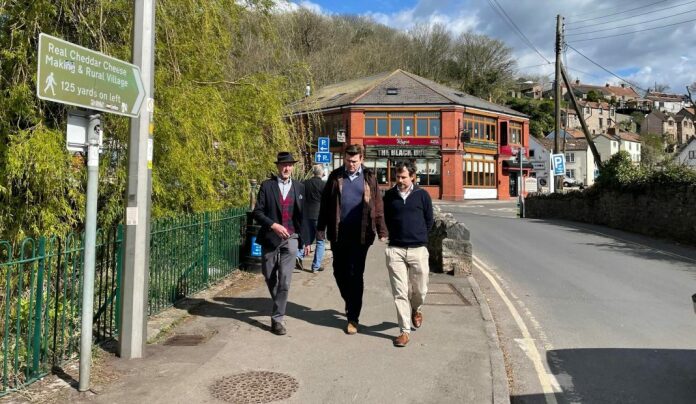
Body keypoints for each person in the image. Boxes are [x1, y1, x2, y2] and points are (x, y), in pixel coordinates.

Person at [317, 144, 387, 335]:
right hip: (339, 234)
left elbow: (378, 205)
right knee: (339, 272)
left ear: (361, 159)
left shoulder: (369, 178)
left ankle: (353, 318)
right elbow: (325, 205)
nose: (351, 164)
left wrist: (382, 230)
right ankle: (351, 301)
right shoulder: (335, 177)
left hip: (362, 235)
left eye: (354, 161)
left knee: (356, 275)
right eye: (348, 160)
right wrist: (320, 230)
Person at [253, 151, 310, 335]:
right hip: (270, 238)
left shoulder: (300, 187)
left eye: (290, 165)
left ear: (293, 167)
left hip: (291, 238)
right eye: (283, 165)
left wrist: (307, 240)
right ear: (278, 167)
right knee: (269, 275)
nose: (287, 168)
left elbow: (304, 216)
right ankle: (279, 303)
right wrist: (274, 225)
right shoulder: (267, 186)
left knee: (285, 280)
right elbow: (258, 213)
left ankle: (277, 319)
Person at [382, 160, 433, 347]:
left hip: (418, 249)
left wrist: (420, 237)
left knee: (420, 289)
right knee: (400, 292)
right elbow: (385, 218)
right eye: (398, 177)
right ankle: (404, 331)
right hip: (395, 249)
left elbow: (429, 220)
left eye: (404, 177)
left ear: (412, 176)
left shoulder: (422, 195)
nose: (400, 180)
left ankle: (417, 309)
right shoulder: (389, 196)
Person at [296, 164, 326, 273]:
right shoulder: (324, 185)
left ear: (313, 172)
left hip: (305, 215)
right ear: (322, 173)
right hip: (319, 217)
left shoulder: (304, 184)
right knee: (320, 241)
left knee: (307, 237)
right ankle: (316, 266)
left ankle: (299, 255)